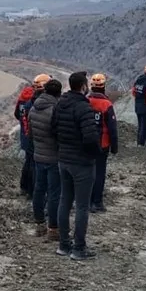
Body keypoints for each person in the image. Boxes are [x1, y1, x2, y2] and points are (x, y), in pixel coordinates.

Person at [51, 71, 101, 260]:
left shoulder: (60, 104)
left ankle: (64, 245)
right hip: (81, 162)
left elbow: (53, 129)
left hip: (63, 159)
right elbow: (90, 137)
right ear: (83, 86)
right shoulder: (83, 107)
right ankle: (79, 248)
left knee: (65, 200)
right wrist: (94, 154)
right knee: (81, 206)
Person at [27, 78, 62, 240]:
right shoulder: (55, 110)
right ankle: (53, 229)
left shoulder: (33, 108)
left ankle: (39, 223)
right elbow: (59, 135)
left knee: (38, 190)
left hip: (38, 155)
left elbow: (31, 134)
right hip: (54, 157)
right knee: (54, 193)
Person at [87, 73, 119, 213]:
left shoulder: (85, 101)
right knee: (99, 173)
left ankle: (86, 200)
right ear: (104, 87)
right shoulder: (106, 104)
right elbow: (112, 128)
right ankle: (97, 202)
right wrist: (114, 146)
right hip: (102, 144)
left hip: (86, 143)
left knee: (87, 173)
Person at [16, 74, 50, 198]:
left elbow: (17, 114)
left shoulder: (24, 100)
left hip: (26, 135)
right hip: (39, 139)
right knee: (36, 166)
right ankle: (33, 191)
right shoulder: (39, 103)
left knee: (29, 162)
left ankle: (26, 188)